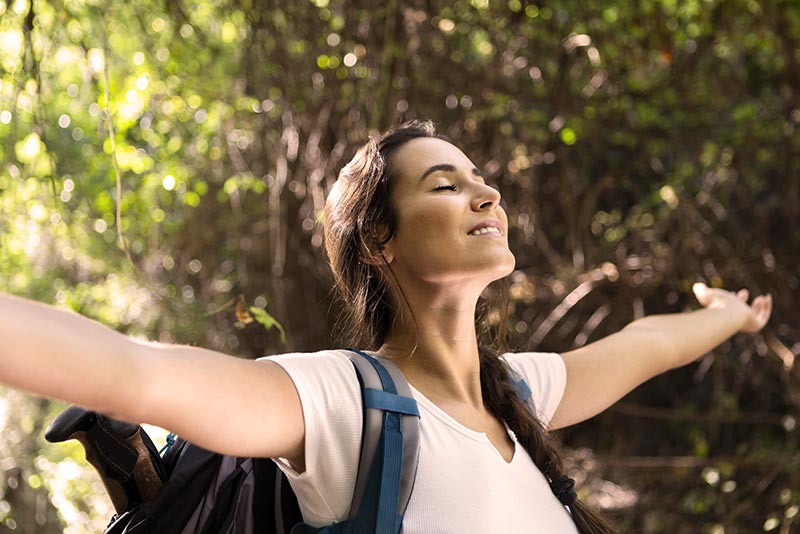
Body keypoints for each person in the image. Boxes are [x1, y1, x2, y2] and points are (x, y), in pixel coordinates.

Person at [0, 120, 772, 533]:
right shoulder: (345, 405)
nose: (486, 194)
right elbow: (134, 371)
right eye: (447, 184)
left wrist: (729, 315)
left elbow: (644, 346)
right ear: (380, 241)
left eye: (482, 180)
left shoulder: (518, 392)